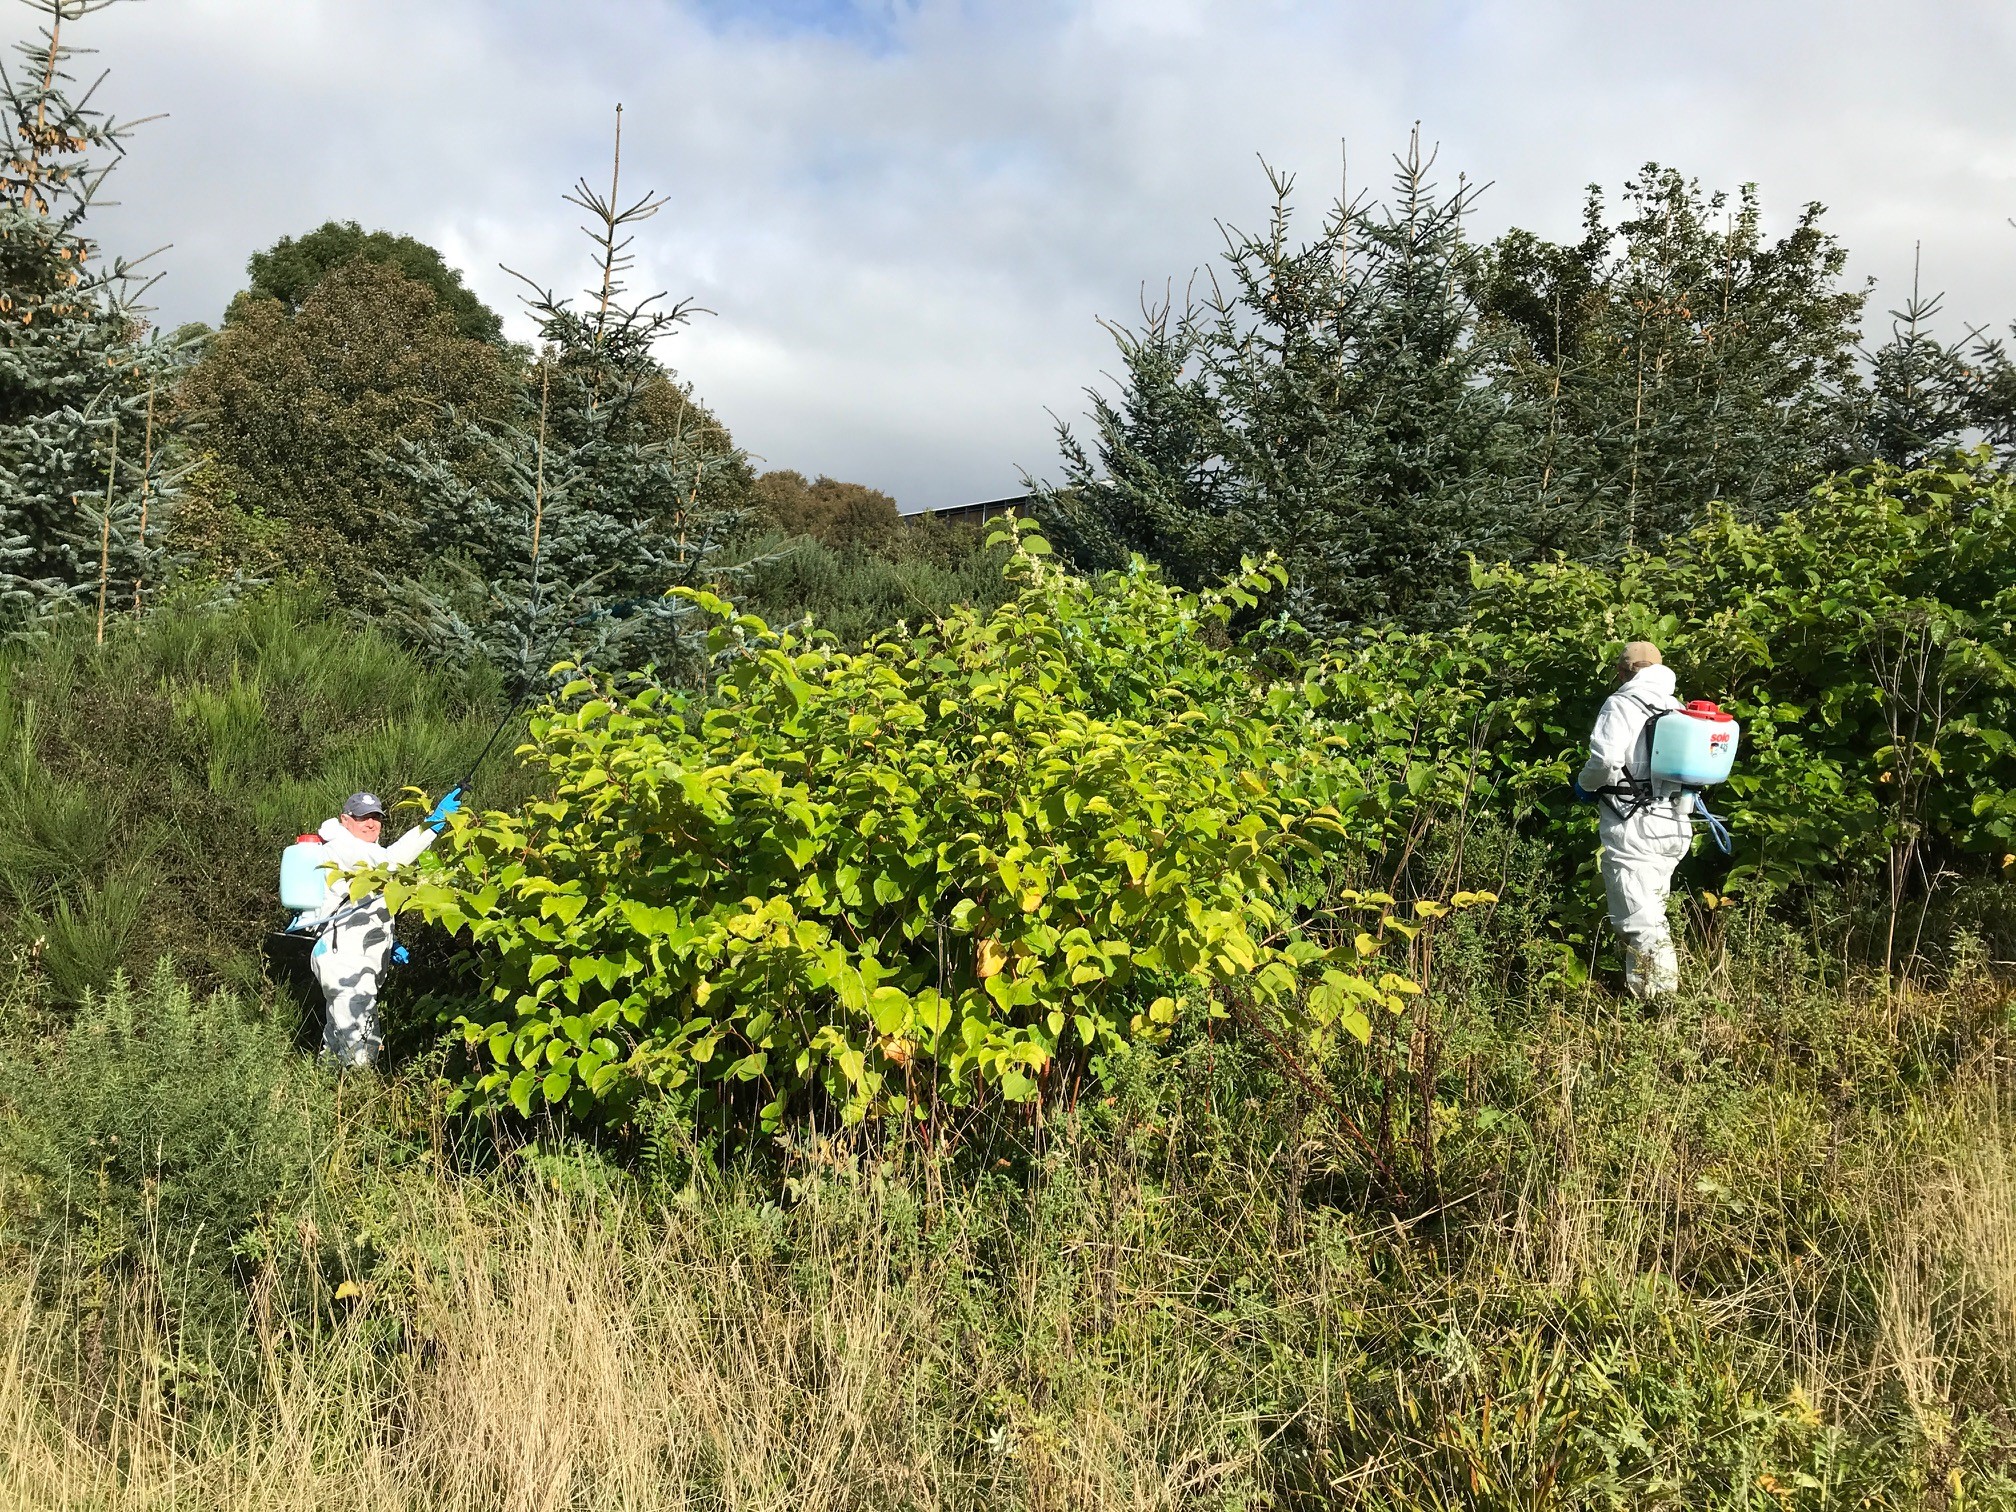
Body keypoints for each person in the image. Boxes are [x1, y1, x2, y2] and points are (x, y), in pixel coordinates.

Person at [295, 788, 462, 1066]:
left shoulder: (364, 852)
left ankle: (324, 1095)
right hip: (344, 963)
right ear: (345, 820)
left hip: (349, 960)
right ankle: (359, 1096)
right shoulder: (340, 846)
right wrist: (433, 823)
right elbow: (392, 863)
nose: (371, 823)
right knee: (360, 1042)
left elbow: (364, 905)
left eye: (376, 817)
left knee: (338, 1039)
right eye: (363, 818)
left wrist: (388, 941)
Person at [1575, 642, 1692, 999]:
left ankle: (1659, 1006)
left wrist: (1584, 785)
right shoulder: (1678, 707)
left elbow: (1606, 759)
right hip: (1674, 821)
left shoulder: (1622, 703)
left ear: (1624, 672)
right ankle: (1654, 997)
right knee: (1653, 909)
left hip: (1633, 824)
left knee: (1640, 921)